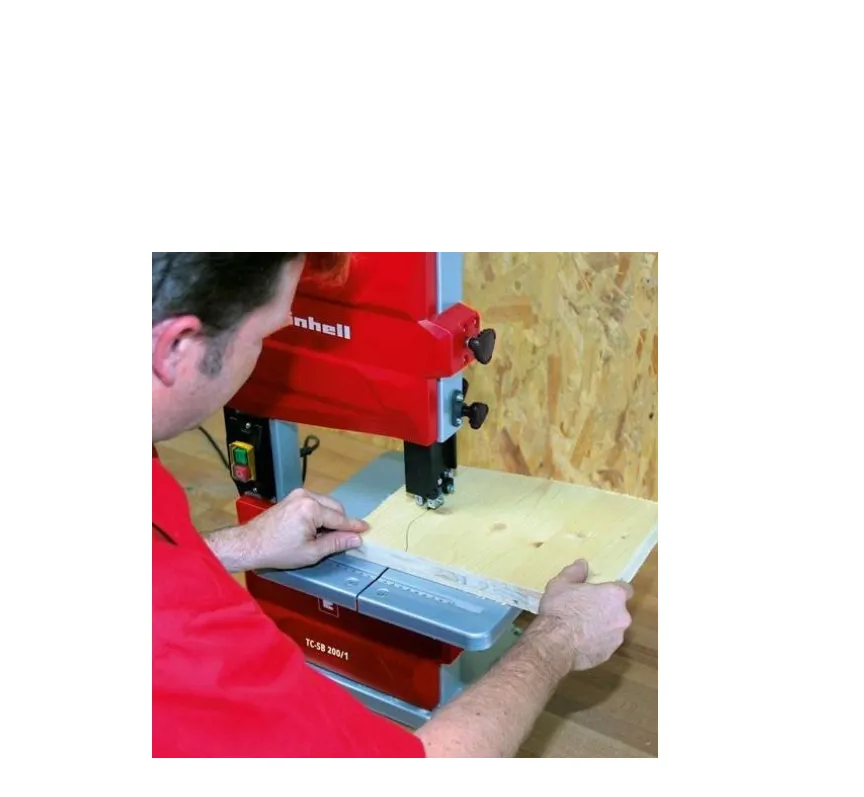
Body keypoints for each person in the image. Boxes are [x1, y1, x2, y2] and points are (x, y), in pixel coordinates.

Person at [152, 252, 634, 758]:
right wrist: (558, 639)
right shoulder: (189, 646)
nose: (268, 350)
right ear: (176, 347)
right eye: (266, 335)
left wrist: (238, 546)